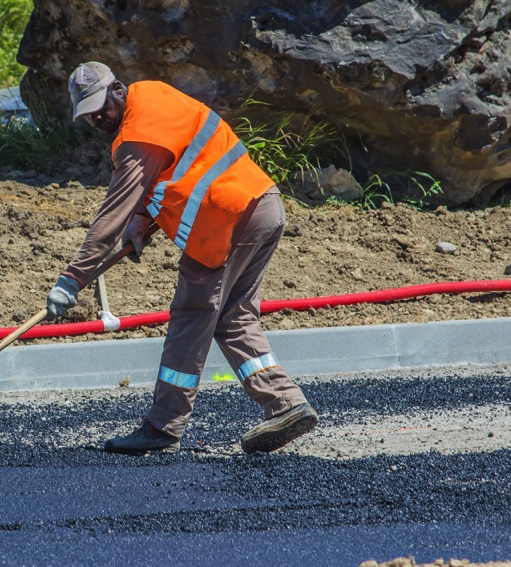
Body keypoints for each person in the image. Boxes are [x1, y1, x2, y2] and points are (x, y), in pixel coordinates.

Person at [46, 61, 318, 455]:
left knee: (192, 317)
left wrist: (72, 279)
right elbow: (176, 168)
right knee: (234, 316)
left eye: (100, 108)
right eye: (87, 115)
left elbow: (112, 212)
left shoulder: (136, 138)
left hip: (225, 222)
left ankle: (162, 426)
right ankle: (286, 405)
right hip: (263, 206)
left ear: (118, 90)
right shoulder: (154, 97)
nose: (97, 119)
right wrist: (142, 220)